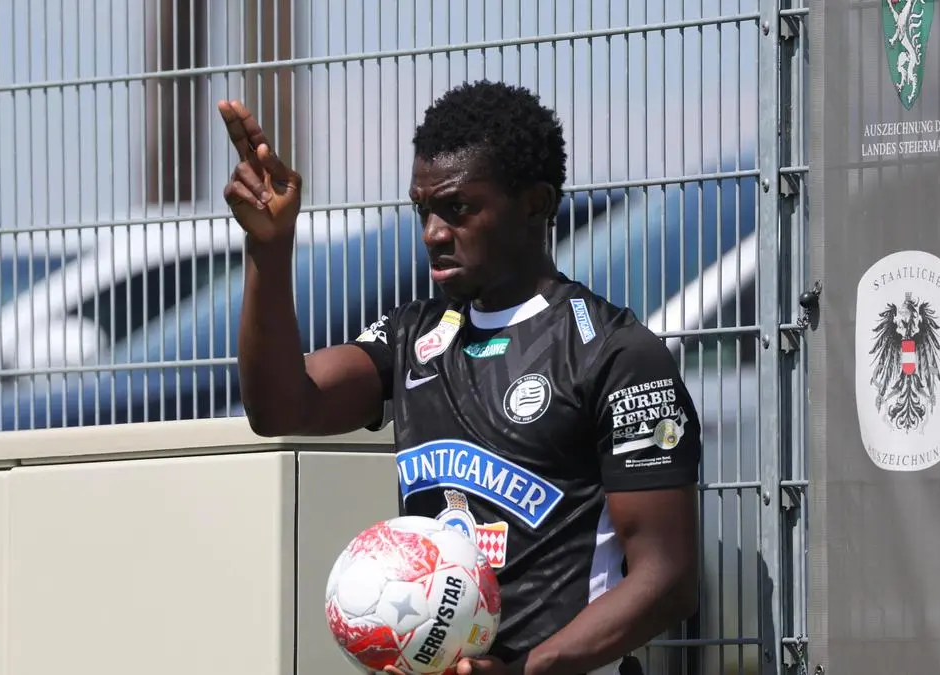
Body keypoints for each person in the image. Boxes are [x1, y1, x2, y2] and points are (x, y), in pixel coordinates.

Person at [218, 80, 701, 675]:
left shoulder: (613, 353)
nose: (433, 233)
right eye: (423, 210)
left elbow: (667, 578)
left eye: (458, 208)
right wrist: (269, 249)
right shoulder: (414, 336)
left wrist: (527, 671)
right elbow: (281, 408)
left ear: (535, 203)